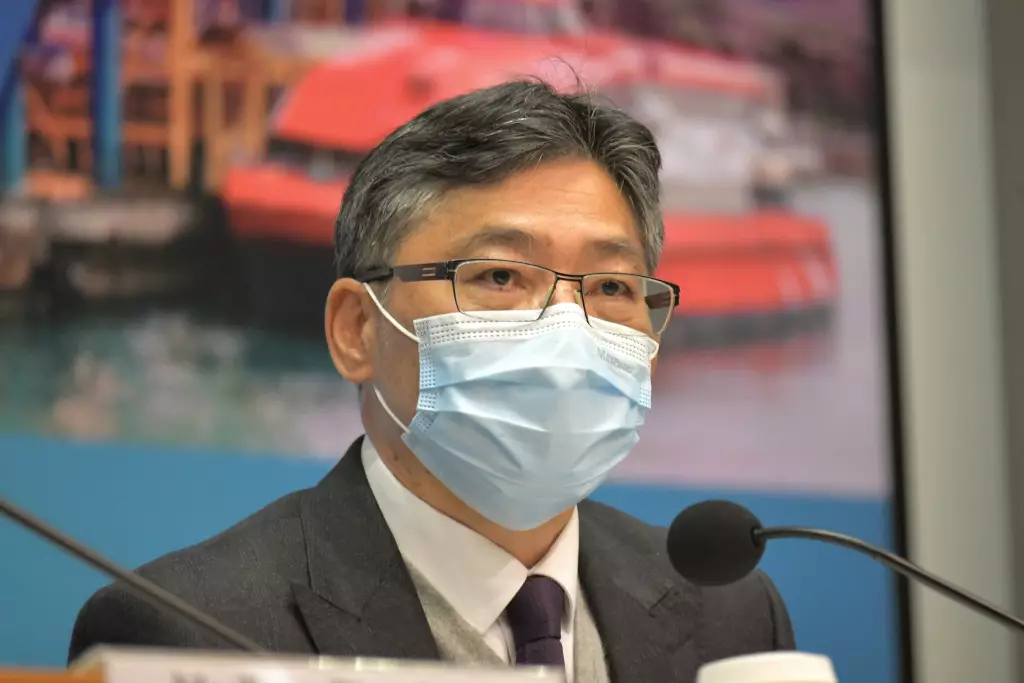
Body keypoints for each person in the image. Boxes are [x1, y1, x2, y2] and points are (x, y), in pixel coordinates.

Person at [69, 79, 795, 682]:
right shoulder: (186, 629)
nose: (567, 330)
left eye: (610, 286)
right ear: (357, 328)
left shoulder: (731, 612)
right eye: (500, 276)